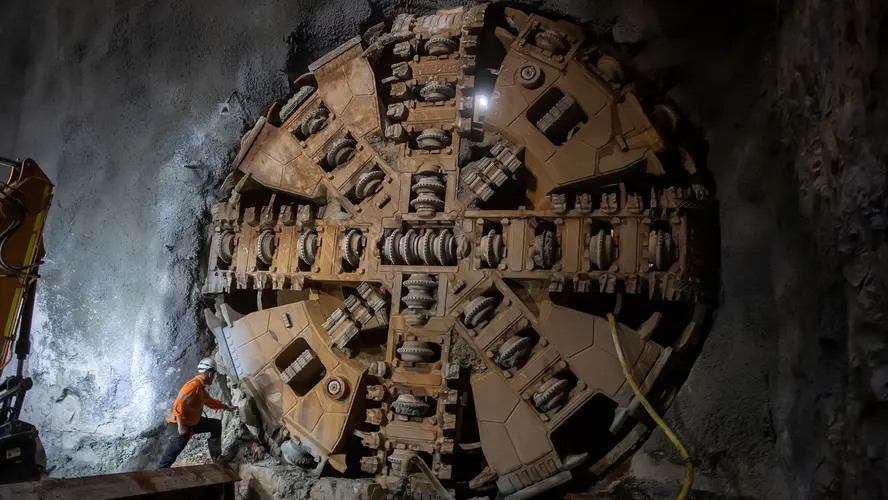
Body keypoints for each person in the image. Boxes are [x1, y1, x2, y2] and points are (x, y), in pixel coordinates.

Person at [157, 357, 235, 468]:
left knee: (215, 425)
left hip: (192, 422)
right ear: (210, 374)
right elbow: (178, 404)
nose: (213, 377)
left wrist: (226, 407)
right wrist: (181, 426)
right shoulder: (193, 386)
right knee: (169, 457)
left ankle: (217, 458)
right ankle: (159, 477)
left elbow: (210, 402)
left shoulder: (200, 387)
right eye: (214, 374)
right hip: (178, 425)